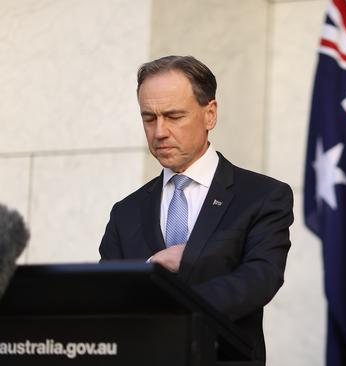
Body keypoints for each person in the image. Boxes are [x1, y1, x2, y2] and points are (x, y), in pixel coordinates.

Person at [99, 56, 293, 363]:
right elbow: (106, 296)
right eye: (149, 118)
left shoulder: (262, 196)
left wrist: (173, 304)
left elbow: (260, 278)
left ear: (210, 114)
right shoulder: (126, 212)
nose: (159, 131)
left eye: (174, 116)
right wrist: (150, 268)